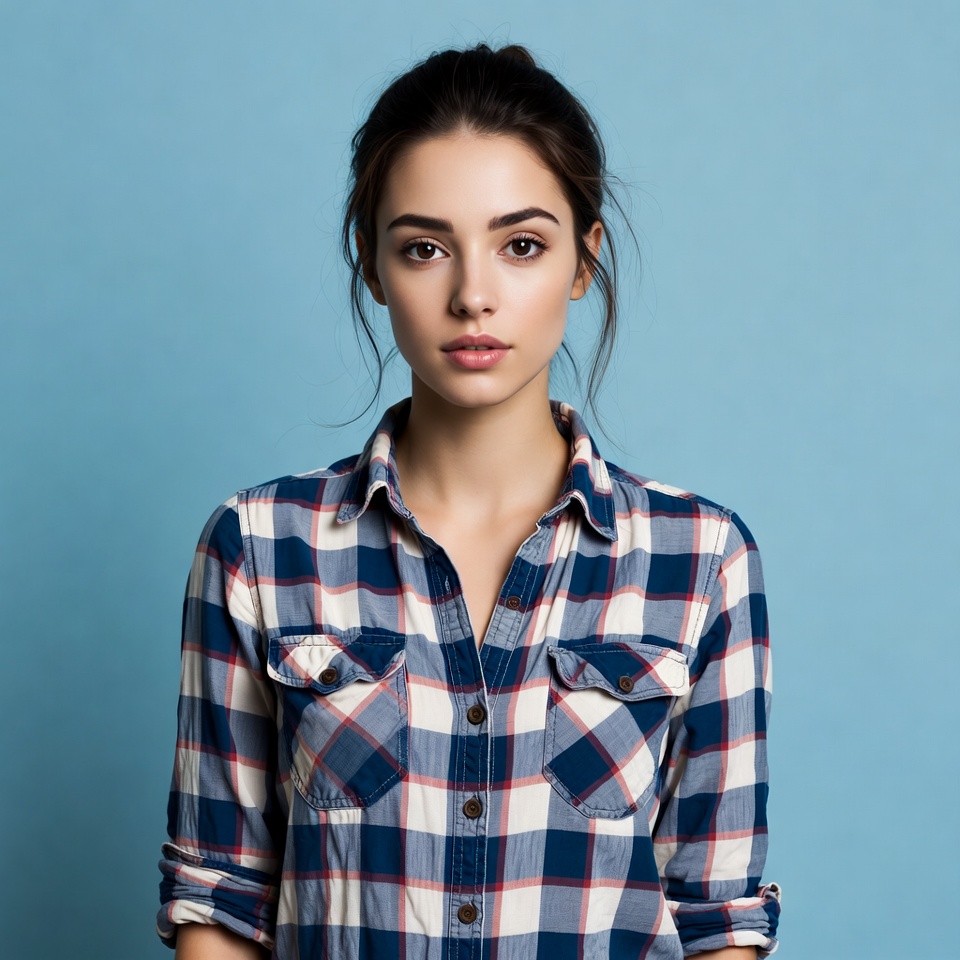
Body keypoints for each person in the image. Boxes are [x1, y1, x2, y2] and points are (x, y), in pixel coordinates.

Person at [157, 42, 781, 960]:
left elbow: (720, 916)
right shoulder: (257, 546)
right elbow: (218, 897)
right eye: (424, 248)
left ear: (582, 259)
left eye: (520, 244)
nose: (473, 295)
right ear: (373, 266)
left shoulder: (702, 559)